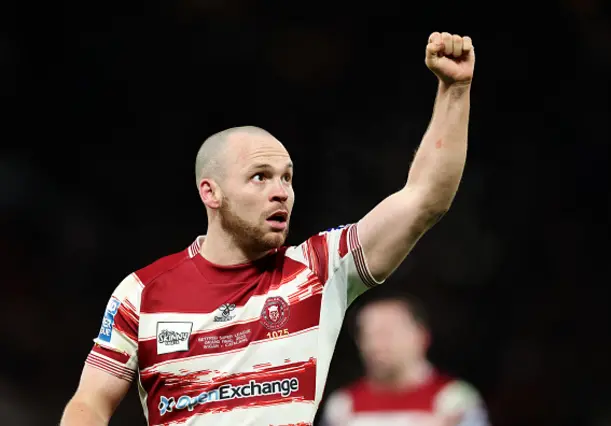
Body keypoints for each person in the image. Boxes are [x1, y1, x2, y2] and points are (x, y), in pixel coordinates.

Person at [60, 31, 476, 426]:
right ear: (212, 192)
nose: (281, 192)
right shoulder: (142, 293)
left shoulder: (319, 271)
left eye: (287, 178)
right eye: (260, 176)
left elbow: (425, 198)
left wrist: (454, 90)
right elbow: (91, 401)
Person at [320, 293, 490, 426]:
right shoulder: (342, 406)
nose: (376, 345)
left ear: (421, 336)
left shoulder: (454, 401)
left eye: (387, 333)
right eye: (368, 334)